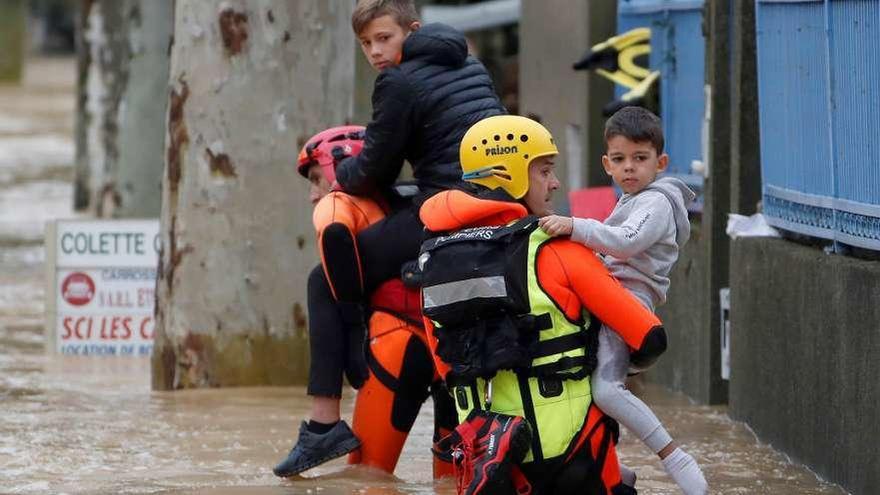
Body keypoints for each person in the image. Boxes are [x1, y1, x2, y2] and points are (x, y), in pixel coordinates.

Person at [275, 0, 506, 475]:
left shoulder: (398, 82)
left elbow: (371, 169)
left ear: (412, 30)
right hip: (496, 210)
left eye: (384, 38)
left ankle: (324, 422)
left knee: (324, 278)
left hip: (445, 211)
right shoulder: (470, 63)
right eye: (366, 43)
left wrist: (338, 173)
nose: (376, 52)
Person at [418, 115, 668, 494]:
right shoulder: (558, 249)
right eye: (545, 171)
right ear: (511, 174)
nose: (555, 183)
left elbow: (444, 365)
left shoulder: (432, 259)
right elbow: (649, 338)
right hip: (574, 456)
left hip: (492, 460)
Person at [538, 106, 708, 494]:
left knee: (606, 389)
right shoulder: (632, 198)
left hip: (625, 303)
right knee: (580, 388)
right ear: (607, 164)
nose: (629, 167)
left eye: (640, 158)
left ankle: (676, 459)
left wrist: (573, 226)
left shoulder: (657, 202)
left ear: (660, 162)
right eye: (619, 159)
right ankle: (613, 469)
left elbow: (627, 243)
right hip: (603, 296)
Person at [273, 126, 456, 478]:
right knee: (456, 483)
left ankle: (323, 425)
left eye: (315, 179)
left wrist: (354, 326)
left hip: (395, 344)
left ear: (338, 165)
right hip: (457, 348)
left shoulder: (339, 202)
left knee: (368, 478)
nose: (314, 194)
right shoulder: (425, 201)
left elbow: (335, 234)